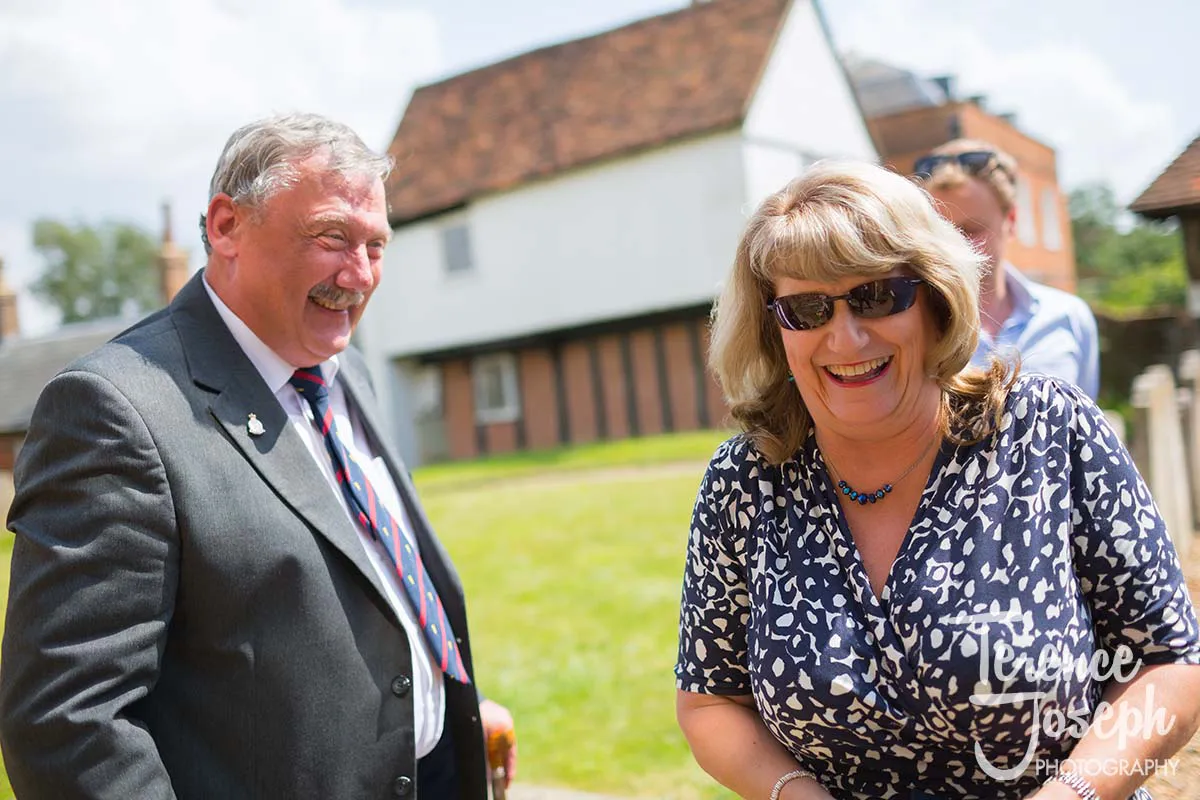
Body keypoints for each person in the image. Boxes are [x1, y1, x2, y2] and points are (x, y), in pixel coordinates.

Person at [0, 113, 515, 799]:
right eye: (332, 237)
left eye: (376, 246)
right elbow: (66, 729)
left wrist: (443, 712)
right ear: (225, 226)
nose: (358, 274)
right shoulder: (113, 410)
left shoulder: (345, 372)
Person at [674, 161, 1200, 800]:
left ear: (934, 296)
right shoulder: (744, 483)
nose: (846, 335)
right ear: (772, 328)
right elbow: (709, 702)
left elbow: (1167, 662)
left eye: (876, 295)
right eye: (806, 309)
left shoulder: (1047, 429)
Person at [913, 139, 1100, 399]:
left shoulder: (1069, 317)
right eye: (942, 232)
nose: (954, 246)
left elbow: (1082, 427)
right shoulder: (911, 328)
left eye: (971, 230)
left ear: (1010, 221)